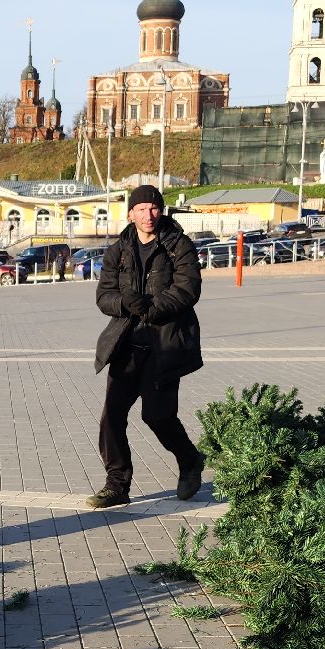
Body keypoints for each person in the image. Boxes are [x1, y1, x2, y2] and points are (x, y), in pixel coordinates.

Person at [87, 184, 206, 509]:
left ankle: (190, 460)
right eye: (141, 209)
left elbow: (188, 288)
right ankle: (116, 485)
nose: (148, 214)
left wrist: (152, 309)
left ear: (161, 210)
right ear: (131, 213)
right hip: (127, 344)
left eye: (153, 208)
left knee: (157, 416)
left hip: (164, 345)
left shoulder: (177, 245)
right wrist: (127, 304)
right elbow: (103, 295)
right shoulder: (119, 250)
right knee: (111, 417)